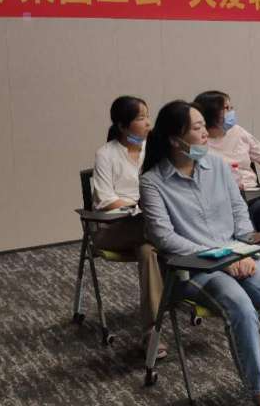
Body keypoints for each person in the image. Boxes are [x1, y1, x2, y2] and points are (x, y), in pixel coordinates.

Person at [140, 100, 260, 406]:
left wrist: (244, 251)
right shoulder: (153, 182)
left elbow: (240, 214)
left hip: (237, 257)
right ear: (174, 139)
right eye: (197, 128)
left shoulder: (218, 166)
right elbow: (164, 237)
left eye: (204, 126)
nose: (205, 134)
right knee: (241, 307)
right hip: (193, 269)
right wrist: (220, 258)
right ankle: (259, 393)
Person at [91, 96, 165, 357]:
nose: (148, 123)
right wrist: (138, 204)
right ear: (122, 126)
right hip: (113, 230)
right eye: (141, 118)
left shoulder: (152, 150)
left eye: (148, 116)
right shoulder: (106, 154)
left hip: (147, 231)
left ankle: (152, 333)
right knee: (157, 226)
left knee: (148, 251)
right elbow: (104, 200)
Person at [194, 90, 260, 259]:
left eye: (231, 107)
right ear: (210, 113)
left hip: (254, 197)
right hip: (222, 205)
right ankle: (253, 262)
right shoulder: (199, 143)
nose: (232, 112)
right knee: (248, 233)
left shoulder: (238, 132)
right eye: (226, 108)